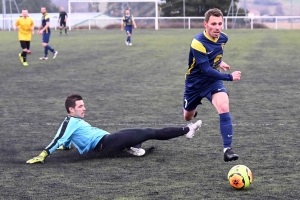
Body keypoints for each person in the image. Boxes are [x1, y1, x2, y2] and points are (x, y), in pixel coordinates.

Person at [26, 94, 202, 164]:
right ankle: (188, 130)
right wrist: (43, 155)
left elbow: (66, 140)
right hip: (106, 144)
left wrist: (65, 146)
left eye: (83, 105)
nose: (84, 108)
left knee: (140, 132)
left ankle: (131, 147)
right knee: (149, 132)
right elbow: (58, 138)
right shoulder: (68, 122)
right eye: (80, 106)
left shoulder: (75, 122)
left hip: (109, 139)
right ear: (71, 110)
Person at [182, 8, 242, 162]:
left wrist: (220, 62)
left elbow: (214, 54)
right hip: (194, 84)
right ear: (205, 24)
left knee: (223, 107)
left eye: (220, 23)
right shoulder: (198, 42)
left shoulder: (224, 38)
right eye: (213, 24)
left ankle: (227, 149)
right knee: (187, 117)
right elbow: (206, 69)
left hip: (212, 82)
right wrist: (229, 77)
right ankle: (193, 110)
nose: (217, 27)